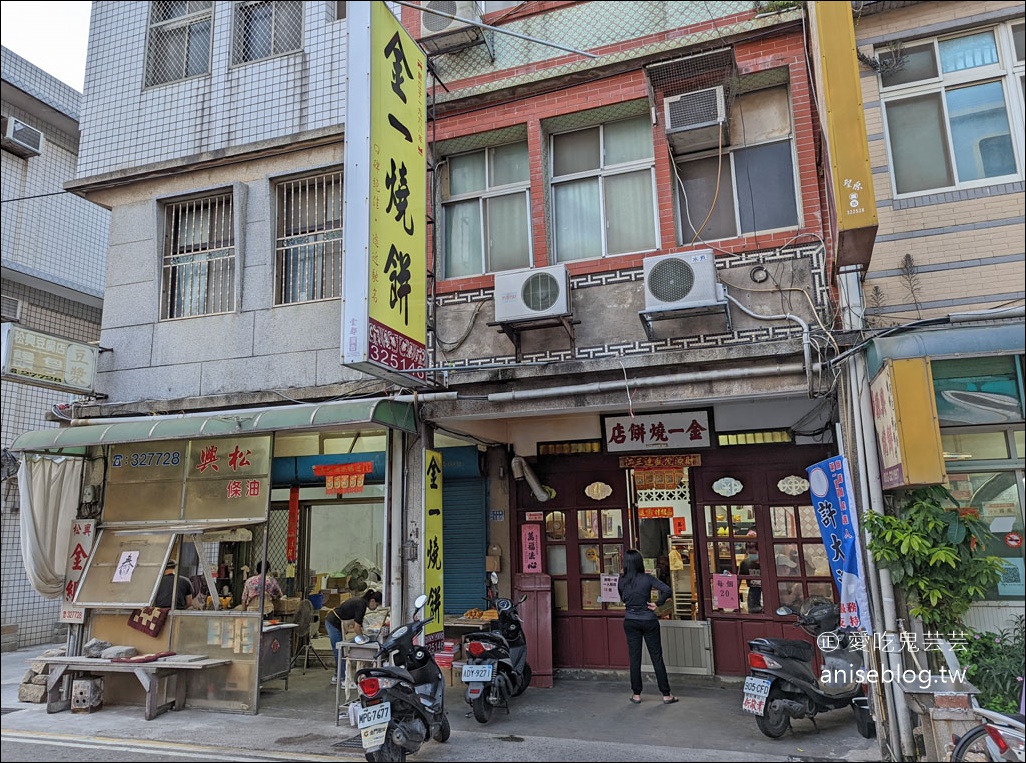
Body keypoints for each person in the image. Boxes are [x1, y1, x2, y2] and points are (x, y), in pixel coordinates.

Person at [617, 549, 677, 705]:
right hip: (648, 620)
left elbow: (622, 598)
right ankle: (666, 694)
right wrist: (657, 603)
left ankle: (636, 694)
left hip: (630, 619)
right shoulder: (647, 578)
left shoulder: (622, 580)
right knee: (656, 657)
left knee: (634, 658)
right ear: (639, 562)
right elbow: (667, 590)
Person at [325, 590, 382, 686]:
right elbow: (357, 627)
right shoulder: (362, 605)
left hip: (336, 621)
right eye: (376, 605)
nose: (376, 607)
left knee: (339, 651)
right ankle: (343, 680)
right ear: (372, 601)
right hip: (333, 622)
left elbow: (354, 622)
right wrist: (363, 639)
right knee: (339, 651)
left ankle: (336, 676)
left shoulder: (360, 601)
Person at [739, 543, 762, 613]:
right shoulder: (745, 563)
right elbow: (738, 580)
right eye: (749, 553)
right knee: (753, 612)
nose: (751, 555)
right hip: (753, 591)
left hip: (768, 591)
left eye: (753, 553)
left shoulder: (767, 562)